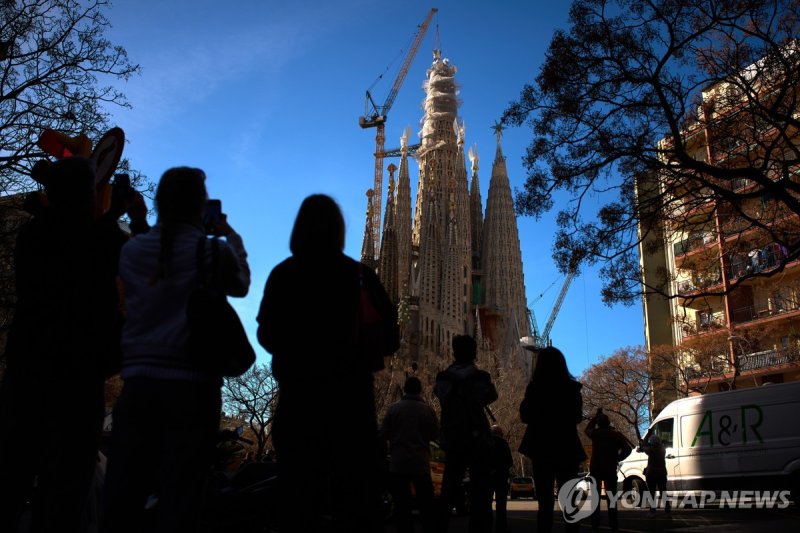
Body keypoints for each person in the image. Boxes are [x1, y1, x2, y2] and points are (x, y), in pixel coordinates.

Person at [100, 167, 250, 533]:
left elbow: (154, 250)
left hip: (137, 388)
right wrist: (226, 233)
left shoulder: (133, 250)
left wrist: (137, 219)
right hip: (192, 390)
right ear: (201, 206)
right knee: (181, 498)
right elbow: (242, 284)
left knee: (125, 495)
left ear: (160, 203)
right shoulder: (210, 251)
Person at [0, 157, 145, 533]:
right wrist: (124, 214)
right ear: (87, 195)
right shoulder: (101, 239)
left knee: (13, 473)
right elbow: (137, 260)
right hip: (78, 379)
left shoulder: (33, 235)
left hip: (27, 370)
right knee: (63, 492)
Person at [256, 194, 399, 533]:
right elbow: (391, 338)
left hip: (299, 402)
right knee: (353, 502)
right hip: (350, 406)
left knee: (299, 499)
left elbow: (266, 334)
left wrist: (298, 351)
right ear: (339, 230)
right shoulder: (360, 276)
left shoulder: (285, 273)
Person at [434, 334, 498, 533]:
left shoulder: (443, 377)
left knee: (449, 485)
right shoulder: (480, 377)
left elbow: (439, 395)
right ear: (474, 353)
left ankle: (439, 525)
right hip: (476, 437)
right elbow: (491, 396)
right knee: (480, 487)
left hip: (451, 437)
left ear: (454, 351)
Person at [518, 346, 585, 533]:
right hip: (567, 447)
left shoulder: (535, 388)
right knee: (570, 499)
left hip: (541, 448)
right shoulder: (572, 388)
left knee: (545, 502)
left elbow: (525, 415)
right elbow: (577, 417)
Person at [380, 376, 439, 533]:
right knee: (426, 504)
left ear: (405, 389)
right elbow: (435, 434)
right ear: (419, 390)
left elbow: (383, 434)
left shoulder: (394, 409)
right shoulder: (427, 410)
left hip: (398, 464)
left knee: (401, 504)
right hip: (420, 463)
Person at [584, 409, 632, 531]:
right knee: (611, 498)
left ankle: (595, 523)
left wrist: (595, 417)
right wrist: (617, 457)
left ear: (599, 423)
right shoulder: (616, 435)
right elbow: (628, 449)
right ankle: (613, 523)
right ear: (608, 422)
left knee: (595, 498)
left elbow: (587, 430)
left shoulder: (596, 434)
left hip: (596, 470)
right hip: (610, 469)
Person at [489, 425, 513, 533]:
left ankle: (487, 525)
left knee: (486, 502)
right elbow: (510, 461)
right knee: (501, 504)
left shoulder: (486, 443)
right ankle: (501, 527)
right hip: (501, 477)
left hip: (488, 477)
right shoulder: (503, 443)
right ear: (500, 433)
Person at [639, 433, 670, 516]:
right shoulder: (663, 449)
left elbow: (643, 446)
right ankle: (667, 510)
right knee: (663, 491)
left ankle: (652, 511)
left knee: (652, 493)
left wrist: (647, 435)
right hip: (662, 473)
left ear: (651, 443)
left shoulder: (650, 450)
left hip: (651, 474)